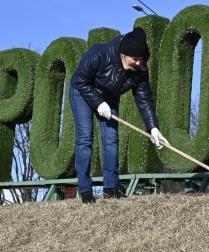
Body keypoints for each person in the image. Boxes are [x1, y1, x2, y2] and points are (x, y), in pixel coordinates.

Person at [70, 27, 167, 204]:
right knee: (85, 138)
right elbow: (80, 81)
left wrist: (153, 128)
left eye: (141, 59)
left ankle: (111, 189)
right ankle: (85, 191)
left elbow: (144, 99)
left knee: (111, 139)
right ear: (123, 54)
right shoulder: (99, 54)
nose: (138, 63)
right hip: (82, 92)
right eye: (134, 59)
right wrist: (98, 102)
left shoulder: (140, 71)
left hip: (109, 98)